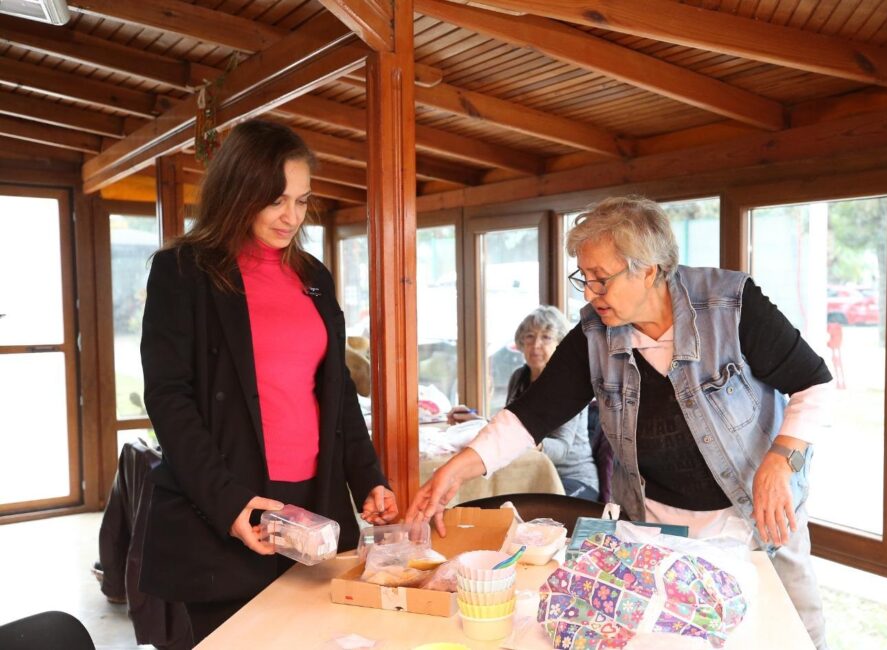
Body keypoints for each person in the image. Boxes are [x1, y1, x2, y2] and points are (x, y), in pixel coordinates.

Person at [409, 195, 833, 648]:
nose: (590, 294)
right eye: (584, 278)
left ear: (648, 270)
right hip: (658, 525)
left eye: (601, 279)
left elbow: (814, 382)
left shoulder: (730, 304)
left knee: (789, 632)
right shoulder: (595, 333)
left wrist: (781, 458)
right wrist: (458, 467)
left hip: (754, 515)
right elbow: (532, 414)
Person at [139, 119, 398, 646]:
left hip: (312, 508)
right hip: (230, 506)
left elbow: (337, 389)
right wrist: (231, 504)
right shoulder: (183, 272)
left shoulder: (313, 277)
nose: (291, 216)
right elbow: (169, 399)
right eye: (276, 200)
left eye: (302, 202)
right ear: (239, 191)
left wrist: (367, 477)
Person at [508, 306, 599, 501]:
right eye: (530, 336)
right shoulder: (519, 377)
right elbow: (511, 424)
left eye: (546, 337)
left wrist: (526, 441)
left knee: (527, 510)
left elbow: (561, 450)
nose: (536, 345)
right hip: (531, 475)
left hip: (573, 479)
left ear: (560, 344)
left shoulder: (567, 384)